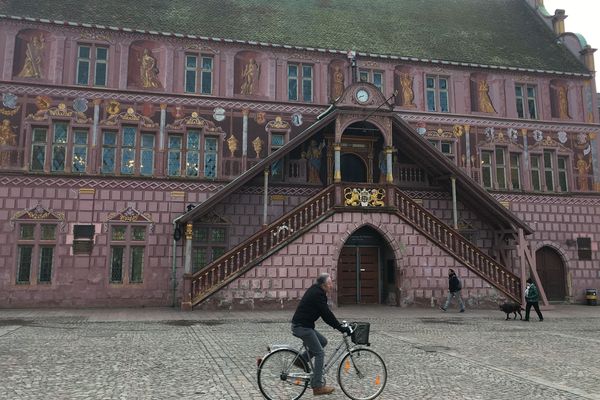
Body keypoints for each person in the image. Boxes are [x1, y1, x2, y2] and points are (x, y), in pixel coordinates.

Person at [291, 273, 351, 396]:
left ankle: (301, 360)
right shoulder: (318, 294)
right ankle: (317, 386)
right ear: (324, 285)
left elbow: (325, 313)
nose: (332, 286)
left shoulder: (317, 291)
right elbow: (326, 314)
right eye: (330, 283)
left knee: (323, 342)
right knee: (319, 353)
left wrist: (339, 326)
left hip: (304, 325)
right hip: (302, 327)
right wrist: (340, 328)